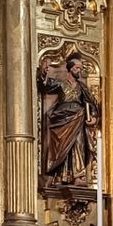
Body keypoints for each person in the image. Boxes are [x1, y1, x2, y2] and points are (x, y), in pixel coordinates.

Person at [37, 54, 99, 189]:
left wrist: (93, 117)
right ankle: (60, 176)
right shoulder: (61, 83)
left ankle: (78, 175)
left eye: (81, 68)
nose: (79, 71)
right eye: (77, 68)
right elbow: (45, 86)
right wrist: (44, 72)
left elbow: (92, 103)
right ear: (70, 69)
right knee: (61, 148)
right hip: (62, 119)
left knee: (78, 145)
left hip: (78, 118)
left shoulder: (82, 87)